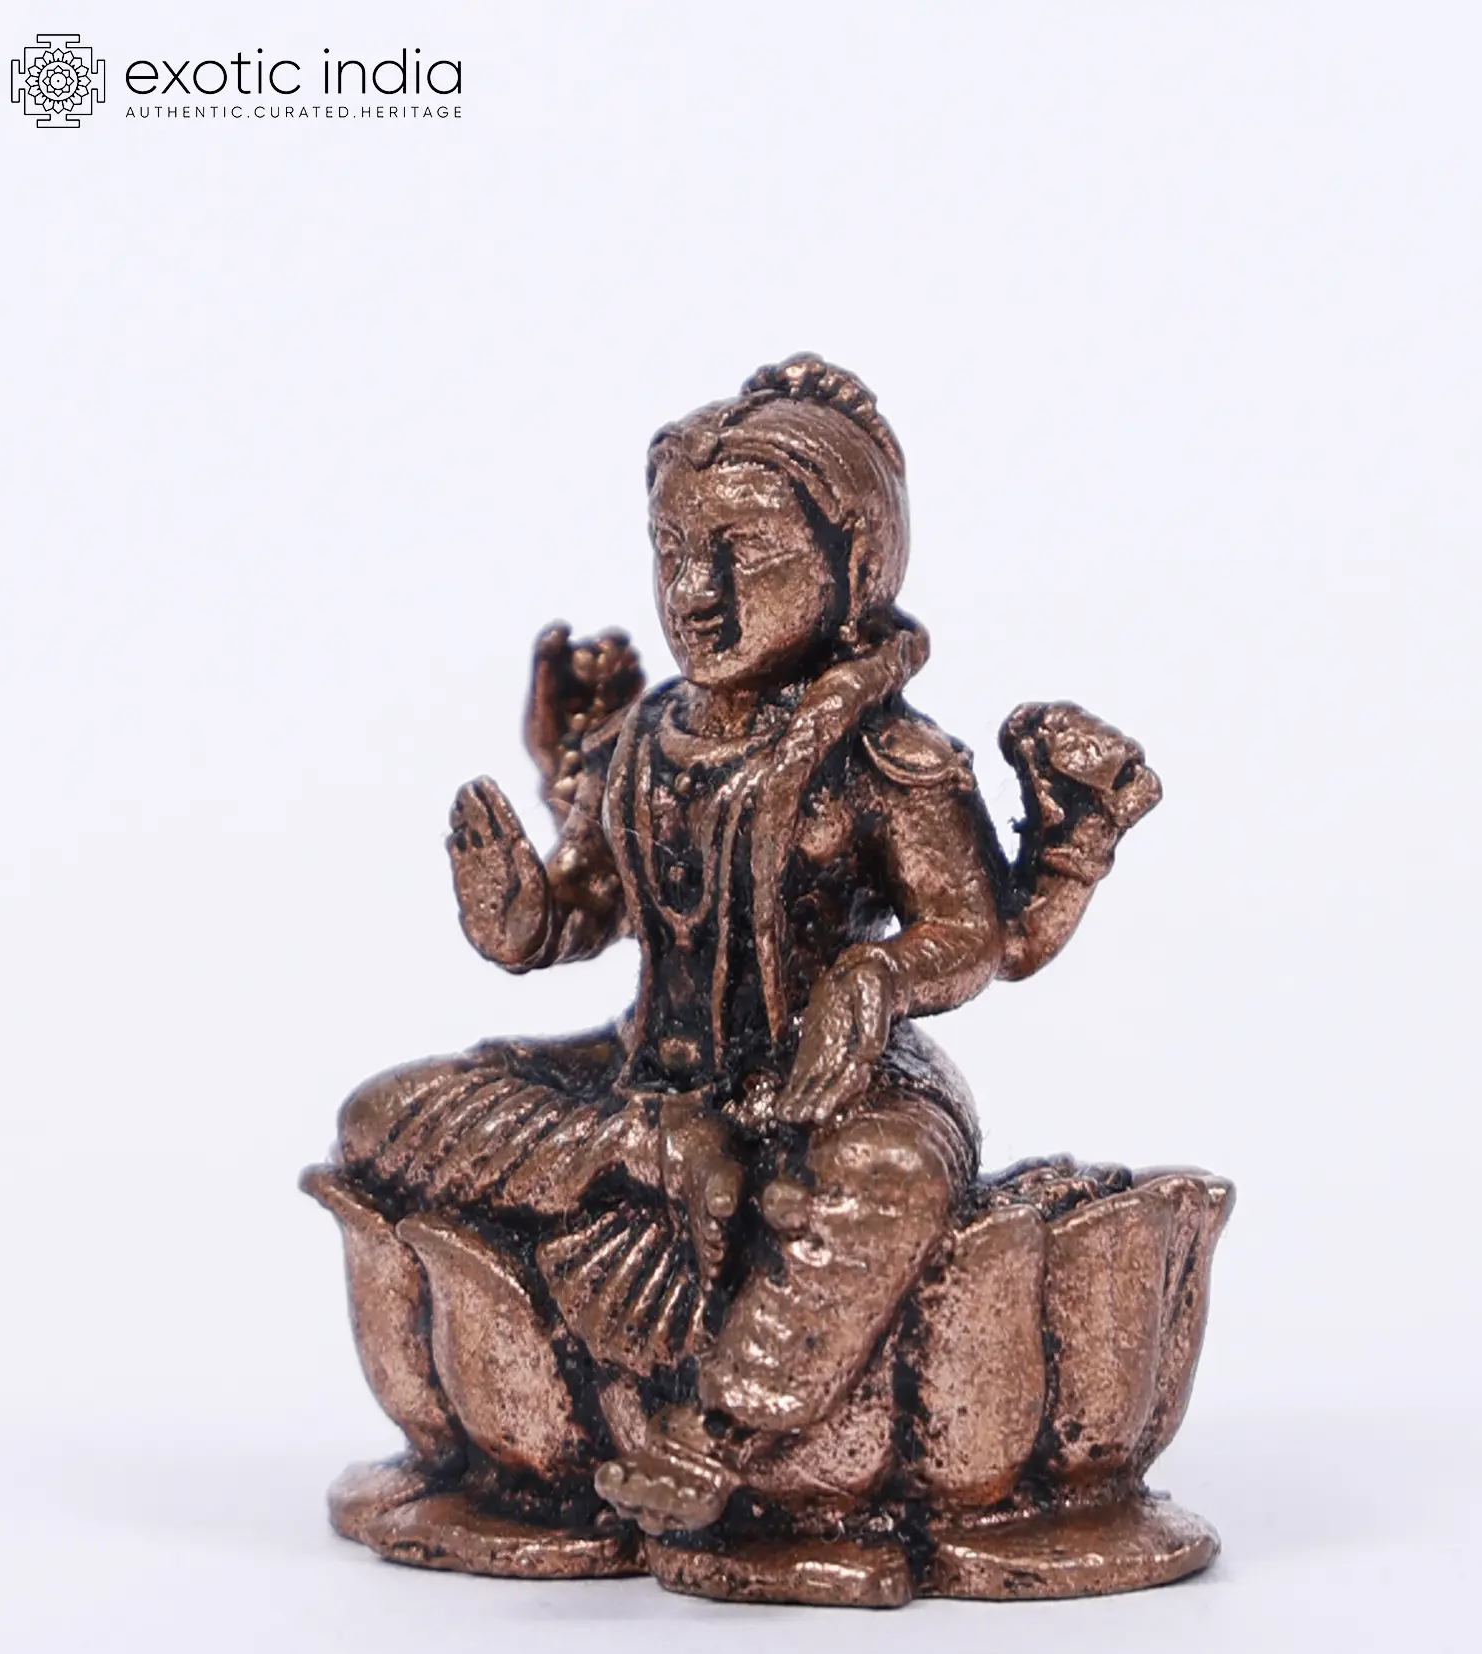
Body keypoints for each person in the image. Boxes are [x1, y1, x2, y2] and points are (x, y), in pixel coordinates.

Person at [315, 353, 1161, 1542]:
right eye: (673, 553)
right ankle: (636, 1152)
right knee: (383, 1111)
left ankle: (715, 1431)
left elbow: (970, 932)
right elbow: (588, 906)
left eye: (743, 556)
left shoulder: (890, 758)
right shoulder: (648, 738)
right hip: (643, 1082)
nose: (695, 594)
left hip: (831, 1089)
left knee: (889, 1173)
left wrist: (878, 974)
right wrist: (516, 914)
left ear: (851, 568)